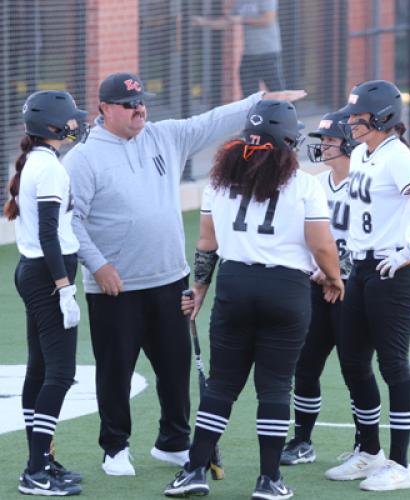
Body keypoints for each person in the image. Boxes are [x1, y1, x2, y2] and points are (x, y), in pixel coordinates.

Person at [63, 71, 306, 476]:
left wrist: (259, 102)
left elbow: (210, 121)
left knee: (175, 367)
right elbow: (71, 221)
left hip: (169, 279)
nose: (139, 109)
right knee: (115, 370)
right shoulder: (83, 158)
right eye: (129, 105)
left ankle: (173, 441)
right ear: (104, 109)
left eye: (142, 101)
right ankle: (115, 447)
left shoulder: (164, 136)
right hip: (115, 286)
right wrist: (98, 265)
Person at [163, 99, 344, 499]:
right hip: (287, 290)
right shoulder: (305, 185)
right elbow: (322, 246)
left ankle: (193, 470)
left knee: (222, 385)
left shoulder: (218, 183)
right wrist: (334, 279)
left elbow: (207, 244)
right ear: (288, 142)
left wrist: (198, 291)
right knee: (276, 387)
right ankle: (268, 480)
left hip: (234, 285)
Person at [326, 80, 410, 491]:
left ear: (382, 117)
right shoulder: (362, 152)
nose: (352, 123)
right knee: (353, 361)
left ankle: (400, 465)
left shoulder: (398, 157)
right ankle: (369, 452)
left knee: (393, 365)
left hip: (392, 271)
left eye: (359, 117)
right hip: (360, 270)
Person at [3, 90, 89, 496]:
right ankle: (35, 471)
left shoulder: (35, 161)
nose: (77, 122)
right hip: (47, 273)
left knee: (40, 369)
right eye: (70, 117)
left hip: (33, 271)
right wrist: (65, 289)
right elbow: (49, 234)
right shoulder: (50, 168)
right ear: (54, 125)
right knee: (60, 373)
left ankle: (42, 460)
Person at [280, 109, 361, 467]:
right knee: (306, 365)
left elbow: (369, 239)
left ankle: (365, 443)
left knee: (354, 368)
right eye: (322, 141)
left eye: (330, 141)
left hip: (351, 288)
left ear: (349, 144)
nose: (323, 147)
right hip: (316, 287)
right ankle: (302, 441)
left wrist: (337, 273)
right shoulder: (315, 183)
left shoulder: (363, 184)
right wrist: (318, 271)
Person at [192, 0, 285, 97]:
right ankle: (254, 112)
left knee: (277, 92)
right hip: (248, 55)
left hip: (267, 53)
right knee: (249, 96)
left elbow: (268, 19)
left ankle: (289, 111)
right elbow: (226, 22)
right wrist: (202, 22)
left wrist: (241, 20)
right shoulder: (241, 2)